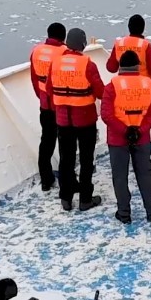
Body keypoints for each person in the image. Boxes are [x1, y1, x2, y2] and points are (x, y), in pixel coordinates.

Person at [103, 50, 151, 224]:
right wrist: (140, 130)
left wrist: (125, 131)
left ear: (120, 67)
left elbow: (107, 115)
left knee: (120, 176)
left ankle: (124, 213)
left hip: (118, 139)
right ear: (138, 66)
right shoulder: (148, 84)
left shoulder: (111, 86)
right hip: (142, 137)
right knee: (145, 174)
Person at [50, 28, 105, 212]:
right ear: (82, 44)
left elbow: (49, 89)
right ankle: (85, 200)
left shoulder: (55, 63)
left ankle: (66, 199)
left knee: (66, 159)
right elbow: (100, 91)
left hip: (63, 119)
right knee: (86, 159)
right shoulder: (87, 64)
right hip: (85, 119)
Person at [106, 14, 151, 165]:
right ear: (143, 28)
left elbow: (111, 67)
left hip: (122, 89)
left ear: (129, 27)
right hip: (143, 90)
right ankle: (148, 155)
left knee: (124, 120)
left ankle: (124, 153)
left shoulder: (119, 44)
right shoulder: (145, 45)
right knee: (144, 122)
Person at [30, 23, 68, 192]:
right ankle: (67, 177)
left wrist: (41, 96)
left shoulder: (37, 51)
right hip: (61, 104)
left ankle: (46, 179)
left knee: (46, 140)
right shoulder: (64, 53)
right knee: (65, 142)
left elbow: (34, 78)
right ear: (63, 37)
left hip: (45, 103)